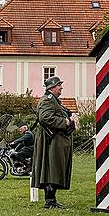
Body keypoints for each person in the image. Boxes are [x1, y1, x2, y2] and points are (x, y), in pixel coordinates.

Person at [31, 76, 75, 209]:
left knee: (55, 168)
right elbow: (45, 118)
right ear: (52, 87)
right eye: (59, 85)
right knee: (51, 169)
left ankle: (52, 200)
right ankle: (50, 201)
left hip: (56, 140)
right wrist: (65, 122)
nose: (61, 87)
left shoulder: (55, 101)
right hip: (51, 140)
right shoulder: (47, 100)